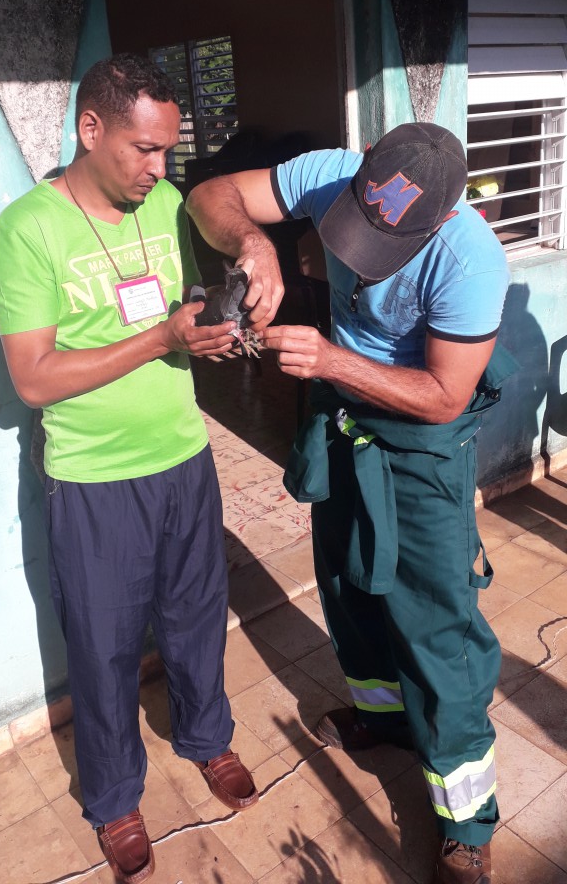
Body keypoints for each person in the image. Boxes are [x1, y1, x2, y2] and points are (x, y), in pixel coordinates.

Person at [186, 122, 511, 884]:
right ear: (362, 171)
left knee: (436, 622)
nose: (359, 256)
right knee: (346, 580)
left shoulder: (469, 258)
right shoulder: (335, 171)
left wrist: (331, 358)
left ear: (438, 220)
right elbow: (210, 194)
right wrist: (255, 246)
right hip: (344, 417)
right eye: (357, 224)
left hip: (424, 439)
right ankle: (383, 715)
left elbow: (444, 394)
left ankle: (466, 817)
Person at [0, 53, 259, 884]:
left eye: (168, 152)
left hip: (182, 457)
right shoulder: (27, 230)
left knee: (194, 616)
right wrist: (162, 338)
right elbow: (32, 378)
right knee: (104, 648)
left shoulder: (170, 203)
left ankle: (207, 740)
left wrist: (218, 323)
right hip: (94, 480)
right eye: (144, 150)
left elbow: (206, 251)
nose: (158, 169)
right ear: (91, 128)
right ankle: (112, 798)